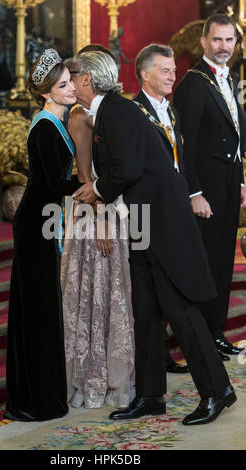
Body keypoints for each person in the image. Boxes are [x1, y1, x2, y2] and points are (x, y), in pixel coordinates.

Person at [71, 50, 236, 426]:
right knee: (145, 313)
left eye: (74, 75)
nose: (72, 82)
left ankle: (217, 390)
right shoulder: (110, 111)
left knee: (180, 308)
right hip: (144, 223)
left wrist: (96, 189)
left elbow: (125, 169)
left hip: (163, 223)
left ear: (86, 80)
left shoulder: (117, 111)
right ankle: (150, 395)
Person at [4, 49, 81, 422]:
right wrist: (96, 185)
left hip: (44, 218)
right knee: (38, 308)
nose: (70, 89)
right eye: (63, 85)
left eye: (70, 82)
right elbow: (54, 185)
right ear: (47, 93)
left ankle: (44, 395)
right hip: (37, 224)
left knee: (44, 306)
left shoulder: (57, 122)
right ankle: (36, 400)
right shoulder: (46, 126)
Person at [61, 44, 135, 409]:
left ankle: (106, 374)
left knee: (108, 295)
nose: (73, 81)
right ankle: (94, 376)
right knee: (97, 297)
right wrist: (103, 220)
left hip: (105, 210)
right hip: (96, 216)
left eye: (75, 75)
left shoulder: (97, 112)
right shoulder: (82, 117)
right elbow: (87, 176)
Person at [174, 13, 246, 357]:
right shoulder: (192, 82)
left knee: (222, 260)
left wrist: (242, 179)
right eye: (217, 40)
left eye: (229, 40)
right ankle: (202, 336)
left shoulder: (229, 78)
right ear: (203, 42)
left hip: (230, 180)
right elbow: (182, 141)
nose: (224, 47)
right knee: (205, 260)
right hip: (205, 187)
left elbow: (235, 133)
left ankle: (215, 332)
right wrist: (194, 191)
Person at [134, 43, 192, 371]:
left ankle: (165, 354)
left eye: (174, 69)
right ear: (145, 74)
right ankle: (153, 360)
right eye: (165, 71)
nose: (173, 76)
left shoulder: (169, 110)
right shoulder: (134, 113)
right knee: (150, 294)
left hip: (174, 210)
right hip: (148, 215)